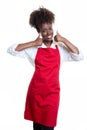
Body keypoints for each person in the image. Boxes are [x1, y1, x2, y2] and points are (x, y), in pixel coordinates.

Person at [7, 7, 83, 130]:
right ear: (39, 32)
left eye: (49, 29)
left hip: (52, 95)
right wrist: (33, 43)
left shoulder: (60, 49)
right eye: (44, 31)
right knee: (37, 127)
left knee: (48, 126)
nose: (48, 33)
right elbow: (11, 50)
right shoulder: (34, 49)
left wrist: (63, 39)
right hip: (36, 94)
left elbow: (79, 55)